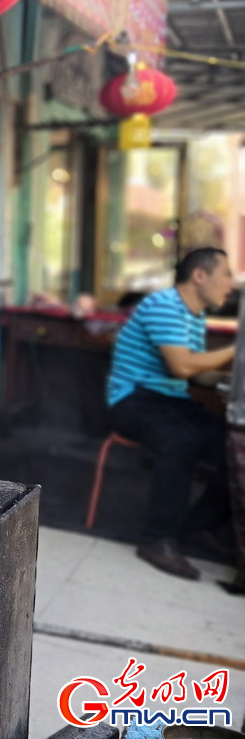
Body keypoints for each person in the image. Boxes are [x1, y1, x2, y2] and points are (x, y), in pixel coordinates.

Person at [106, 247, 237, 579]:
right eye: (226, 274)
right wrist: (238, 348)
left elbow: (195, 373)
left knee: (232, 445)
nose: (230, 284)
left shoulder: (194, 315)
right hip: (133, 400)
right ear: (199, 276)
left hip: (169, 400)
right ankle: (157, 539)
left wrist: (231, 381)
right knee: (182, 439)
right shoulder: (164, 305)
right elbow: (181, 367)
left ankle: (200, 528)